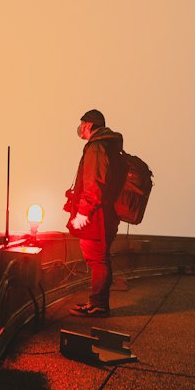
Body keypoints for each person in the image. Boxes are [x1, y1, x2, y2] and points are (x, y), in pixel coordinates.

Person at [64, 109, 124, 317]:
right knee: (99, 258)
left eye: (81, 124)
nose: (79, 128)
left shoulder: (96, 147)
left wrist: (83, 213)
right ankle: (97, 302)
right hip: (104, 214)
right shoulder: (106, 146)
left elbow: (94, 184)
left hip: (96, 215)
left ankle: (98, 305)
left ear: (89, 125)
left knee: (98, 260)